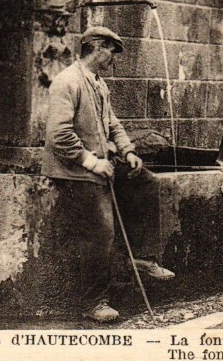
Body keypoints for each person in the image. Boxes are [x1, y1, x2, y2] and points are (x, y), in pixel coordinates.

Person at [41, 26, 174, 323]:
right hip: (73, 171)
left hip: (102, 162)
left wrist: (128, 152)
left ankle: (141, 257)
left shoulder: (99, 84)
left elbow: (112, 123)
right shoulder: (67, 83)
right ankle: (94, 302)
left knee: (147, 183)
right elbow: (58, 135)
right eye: (112, 50)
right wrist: (92, 162)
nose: (114, 57)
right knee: (101, 230)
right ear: (98, 47)